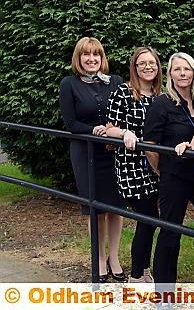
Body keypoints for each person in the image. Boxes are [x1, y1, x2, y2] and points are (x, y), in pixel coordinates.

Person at [59, 36, 127, 283]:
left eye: (96, 54)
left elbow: (123, 114)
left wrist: (111, 130)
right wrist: (94, 130)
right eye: (86, 55)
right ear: (78, 59)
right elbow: (70, 123)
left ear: (102, 58)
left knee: (115, 208)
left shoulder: (116, 82)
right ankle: (98, 258)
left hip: (112, 151)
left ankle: (114, 257)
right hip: (86, 153)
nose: (91, 59)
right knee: (95, 209)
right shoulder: (69, 84)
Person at [143, 52, 194, 310]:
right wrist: (161, 170)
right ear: (170, 74)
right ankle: (164, 295)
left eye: (187, 69)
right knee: (170, 232)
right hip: (174, 176)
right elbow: (150, 145)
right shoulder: (163, 103)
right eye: (177, 69)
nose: (183, 74)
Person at [105, 46, 162, 283]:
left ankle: (144, 270)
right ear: (135, 67)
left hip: (156, 165)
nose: (148, 67)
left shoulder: (161, 96)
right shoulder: (124, 92)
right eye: (142, 64)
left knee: (150, 219)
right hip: (132, 166)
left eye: (152, 63)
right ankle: (137, 275)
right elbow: (110, 128)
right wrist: (125, 132)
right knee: (147, 218)